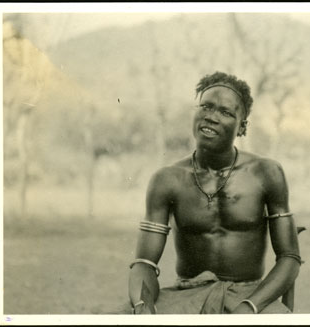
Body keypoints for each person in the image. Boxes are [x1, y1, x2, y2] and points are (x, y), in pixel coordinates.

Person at [126, 72, 301, 314]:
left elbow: (289, 257)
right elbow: (144, 263)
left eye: (225, 112)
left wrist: (249, 307)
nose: (211, 117)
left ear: (242, 127)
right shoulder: (167, 179)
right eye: (206, 106)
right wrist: (143, 305)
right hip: (187, 294)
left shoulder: (265, 173)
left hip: (250, 296)